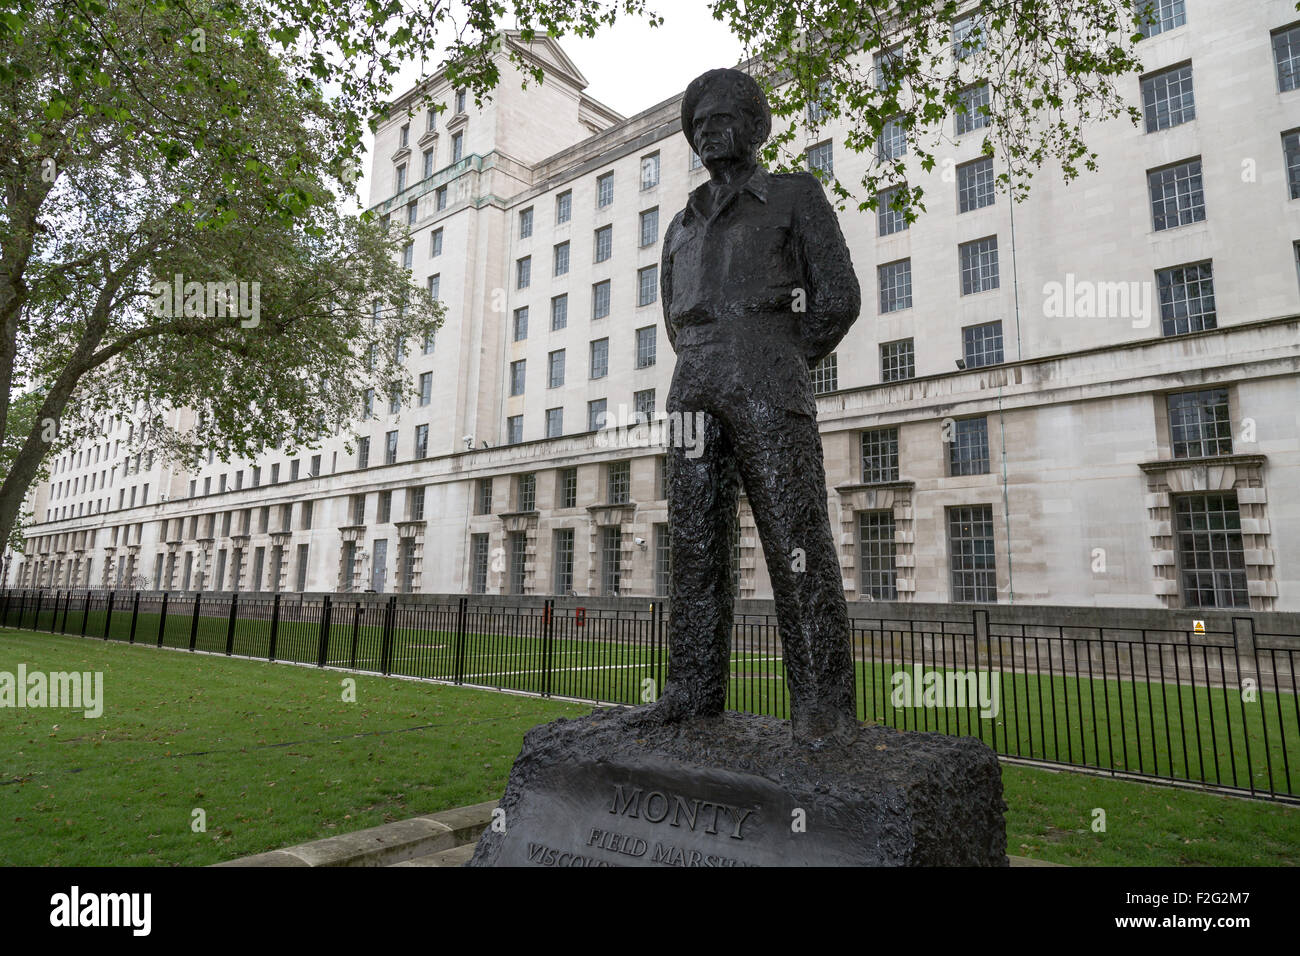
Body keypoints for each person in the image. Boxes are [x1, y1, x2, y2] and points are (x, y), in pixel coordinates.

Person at [638, 67, 862, 745]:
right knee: (694, 545)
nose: (708, 131)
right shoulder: (680, 223)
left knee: (796, 538)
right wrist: (707, 359)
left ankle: (823, 703)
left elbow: (838, 298)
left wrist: (782, 356)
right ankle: (691, 690)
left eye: (723, 118)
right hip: (693, 383)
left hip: (768, 373)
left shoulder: (795, 195)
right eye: (698, 123)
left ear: (756, 127)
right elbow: (675, 316)